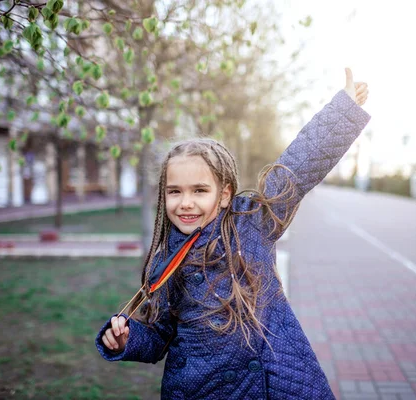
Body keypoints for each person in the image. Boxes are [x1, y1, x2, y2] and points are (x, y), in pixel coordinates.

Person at [96, 68, 370, 399]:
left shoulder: (251, 224)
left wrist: (343, 112)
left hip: (273, 385)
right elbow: (160, 335)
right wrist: (128, 340)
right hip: (200, 391)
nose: (185, 203)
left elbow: (295, 169)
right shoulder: (164, 263)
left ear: (224, 194)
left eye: (199, 190)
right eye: (174, 191)